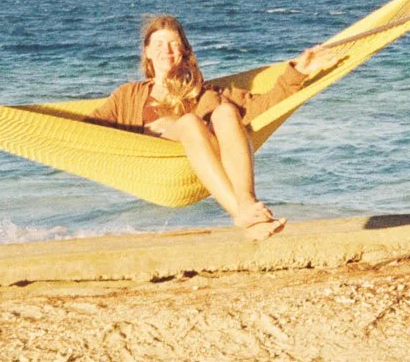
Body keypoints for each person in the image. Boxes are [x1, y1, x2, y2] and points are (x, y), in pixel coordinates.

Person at [91, 14, 338, 240]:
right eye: (158, 45)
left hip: (195, 161)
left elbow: (264, 106)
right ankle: (243, 215)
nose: (166, 51)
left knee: (226, 112)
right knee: (189, 123)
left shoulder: (208, 94)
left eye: (174, 44)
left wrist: (298, 72)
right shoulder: (128, 96)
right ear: (147, 52)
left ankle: (247, 203)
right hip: (155, 165)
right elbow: (88, 129)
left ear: (185, 50)